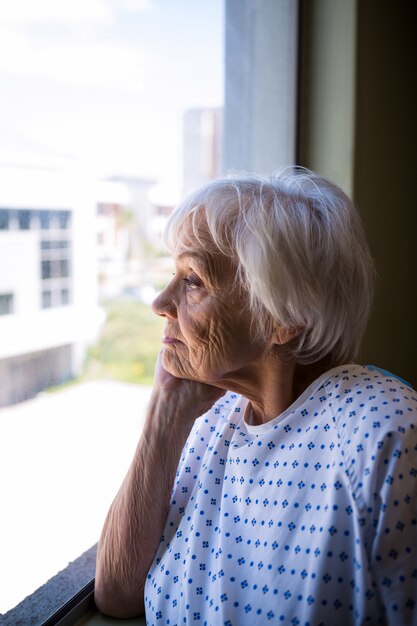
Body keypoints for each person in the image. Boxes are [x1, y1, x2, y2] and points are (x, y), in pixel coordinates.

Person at [94, 168, 417, 625]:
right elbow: (118, 593)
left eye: (193, 281)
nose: (160, 302)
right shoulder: (212, 419)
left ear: (284, 317)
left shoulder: (386, 436)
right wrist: (166, 409)